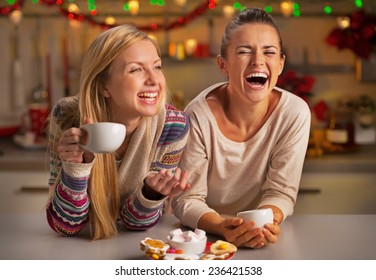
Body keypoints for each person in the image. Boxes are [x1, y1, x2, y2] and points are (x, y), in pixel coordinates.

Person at [172, 8, 311, 249]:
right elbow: (187, 199)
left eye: (269, 52)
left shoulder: (294, 113)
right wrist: (223, 227)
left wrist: (262, 224)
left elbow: (280, 192)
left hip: (262, 237)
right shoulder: (197, 115)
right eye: (245, 51)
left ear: (280, 64)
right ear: (223, 64)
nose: (258, 61)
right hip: (203, 238)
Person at [46, 24, 190, 240]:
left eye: (157, 67)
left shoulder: (172, 125)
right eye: (136, 69)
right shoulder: (67, 115)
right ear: (105, 86)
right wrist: (76, 168)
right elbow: (66, 226)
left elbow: (136, 225)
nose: (154, 80)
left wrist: (151, 193)